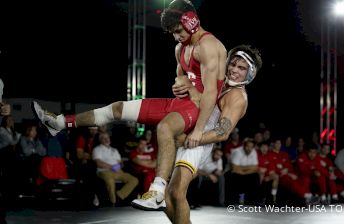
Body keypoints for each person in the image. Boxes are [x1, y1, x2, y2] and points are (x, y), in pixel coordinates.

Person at [32, 0, 226, 211]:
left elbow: (211, 94)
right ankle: (59, 123)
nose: (175, 36)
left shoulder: (209, 46)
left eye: (178, 30)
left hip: (201, 109)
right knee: (117, 108)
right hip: (182, 103)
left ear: (191, 22)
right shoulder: (181, 47)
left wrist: (198, 130)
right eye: (172, 32)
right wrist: (181, 85)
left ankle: (157, 192)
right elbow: (181, 78)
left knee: (164, 128)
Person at [157, 45, 262, 223]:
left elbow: (222, 132)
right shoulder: (220, 82)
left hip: (198, 143)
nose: (234, 69)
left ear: (249, 74)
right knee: (165, 199)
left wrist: (188, 140)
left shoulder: (237, 96)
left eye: (241, 68)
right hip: (188, 135)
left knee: (176, 192)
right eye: (233, 64)